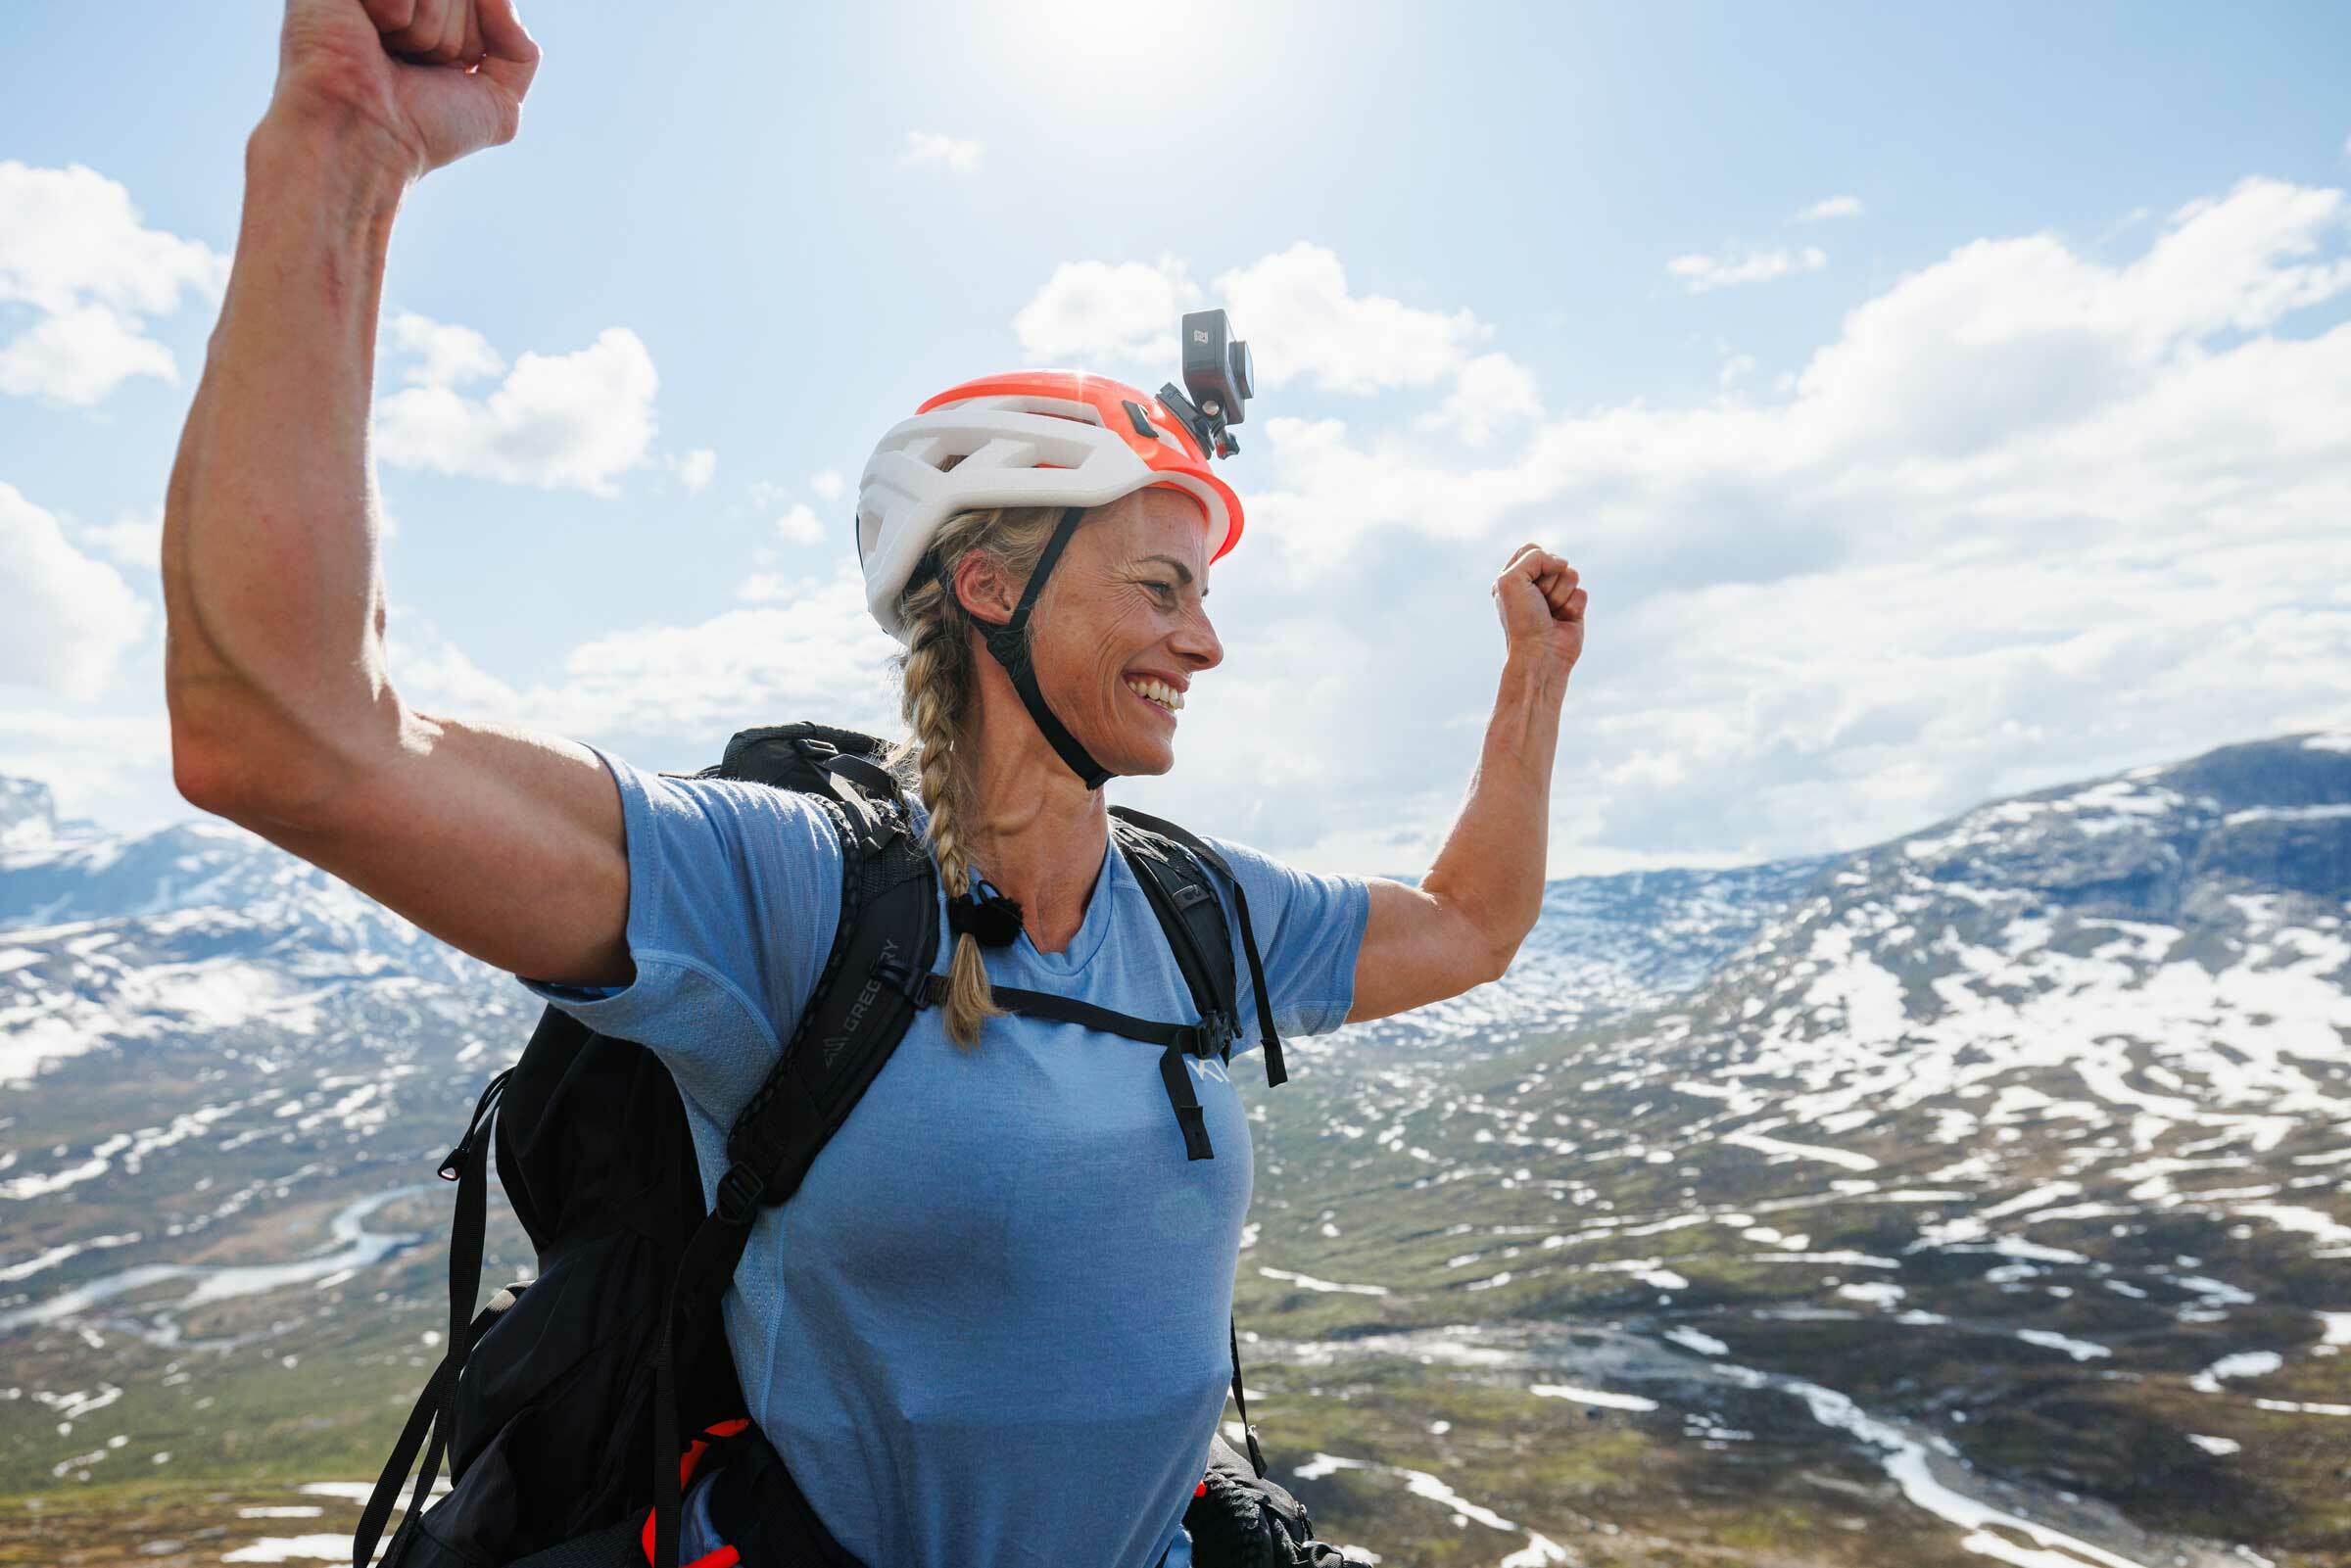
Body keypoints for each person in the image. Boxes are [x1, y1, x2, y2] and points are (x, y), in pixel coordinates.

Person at [160, 3, 1591, 1565]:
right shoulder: (789, 897)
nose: (1209, 642)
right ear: (986, 583)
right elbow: (291, 731)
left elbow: (1468, 923)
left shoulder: (1191, 916)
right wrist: (343, 139)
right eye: (1161, 588)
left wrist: (1534, 679)